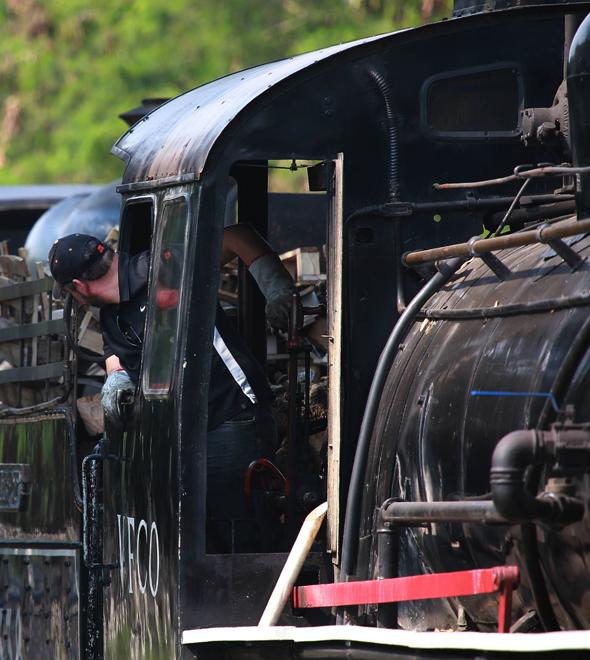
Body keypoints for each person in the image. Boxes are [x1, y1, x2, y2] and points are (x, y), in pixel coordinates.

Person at [49, 227, 295, 551]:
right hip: (187, 429)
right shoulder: (112, 317)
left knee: (240, 532)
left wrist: (276, 289)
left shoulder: (164, 267)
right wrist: (117, 380)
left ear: (77, 287)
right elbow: (116, 358)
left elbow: (237, 238)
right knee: (205, 537)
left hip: (231, 414)